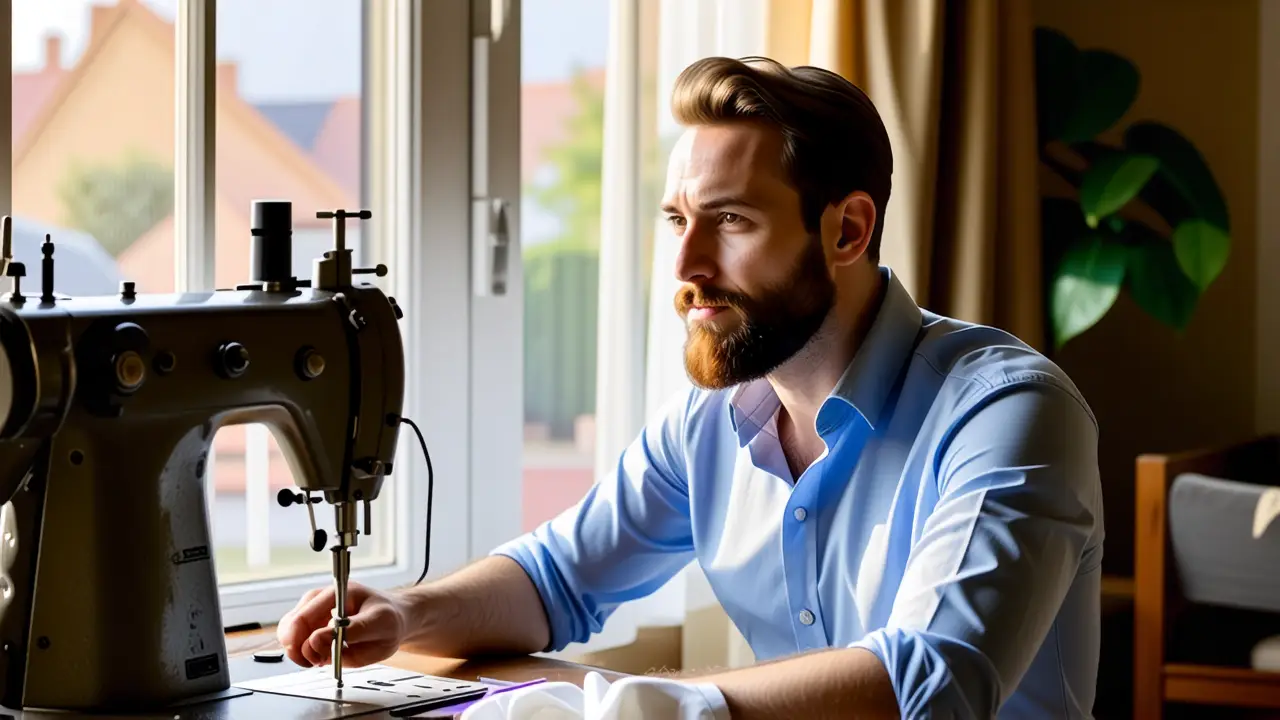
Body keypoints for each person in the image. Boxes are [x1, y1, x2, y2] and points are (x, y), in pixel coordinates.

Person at [278, 55, 1103, 718]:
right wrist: (406, 613)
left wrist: (635, 707)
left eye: (732, 220)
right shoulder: (711, 423)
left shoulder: (1009, 412)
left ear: (847, 229)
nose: (684, 268)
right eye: (678, 219)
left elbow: (930, 683)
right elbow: (557, 578)